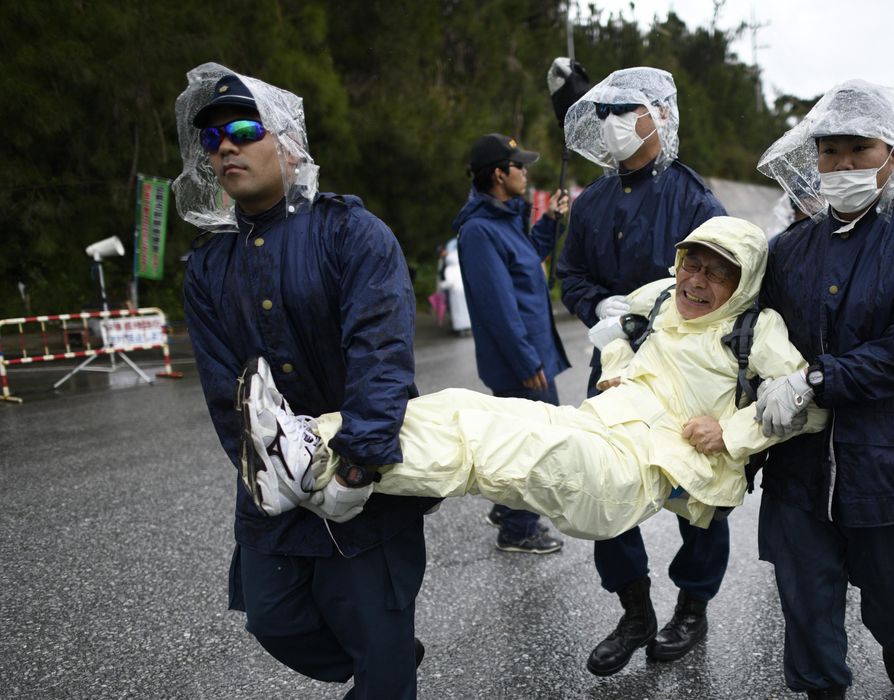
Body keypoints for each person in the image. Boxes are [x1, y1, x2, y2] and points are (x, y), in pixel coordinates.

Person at [237, 215, 826, 541]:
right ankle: (315, 444)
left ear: (744, 284)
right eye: (692, 263)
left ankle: (315, 468)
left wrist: (731, 434)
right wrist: (618, 372)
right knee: (462, 407)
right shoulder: (663, 295)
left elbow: (808, 403)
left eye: (718, 274)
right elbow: (617, 328)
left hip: (639, 471)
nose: (696, 281)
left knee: (494, 445)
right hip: (596, 425)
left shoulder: (758, 329)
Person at [172, 64, 436, 698]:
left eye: (243, 130)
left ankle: (385, 661)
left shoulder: (350, 233)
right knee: (274, 619)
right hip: (276, 488)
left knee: (375, 641)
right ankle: (391, 656)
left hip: (365, 485)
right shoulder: (209, 265)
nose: (225, 147)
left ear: (289, 143)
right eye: (212, 138)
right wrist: (268, 469)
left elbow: (380, 357)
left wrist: (357, 467)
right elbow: (225, 389)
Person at [754, 79, 894, 700]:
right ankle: (822, 686)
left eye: (859, 148)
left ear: (893, 153)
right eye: (829, 151)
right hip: (799, 465)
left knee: (893, 594)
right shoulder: (788, 250)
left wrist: (816, 380)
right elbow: (752, 336)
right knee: (806, 598)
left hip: (885, 462)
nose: (842, 163)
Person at [556, 66, 731, 675]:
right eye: (603, 112)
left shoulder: (695, 200)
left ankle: (692, 605)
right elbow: (571, 274)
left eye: (625, 110)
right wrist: (598, 305)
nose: (613, 123)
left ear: (660, 115)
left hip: (686, 372)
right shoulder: (592, 201)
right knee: (602, 479)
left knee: (696, 487)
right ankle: (634, 608)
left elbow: (725, 285)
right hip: (613, 363)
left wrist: (660, 314)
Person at [452, 133, 569, 555]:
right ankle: (519, 529)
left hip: (531, 353)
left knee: (518, 436)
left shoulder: (503, 220)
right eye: (519, 166)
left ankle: (506, 510)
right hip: (523, 361)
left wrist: (549, 222)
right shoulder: (479, 231)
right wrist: (526, 361)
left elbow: (526, 263)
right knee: (533, 444)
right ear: (500, 175)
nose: (526, 172)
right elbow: (497, 307)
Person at [439, 238, 472, 336]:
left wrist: (442, 285)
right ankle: (469, 326)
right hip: (464, 291)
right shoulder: (461, 266)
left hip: (455, 293)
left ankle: (460, 328)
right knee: (466, 309)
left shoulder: (449, 269)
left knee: (458, 310)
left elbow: (449, 282)